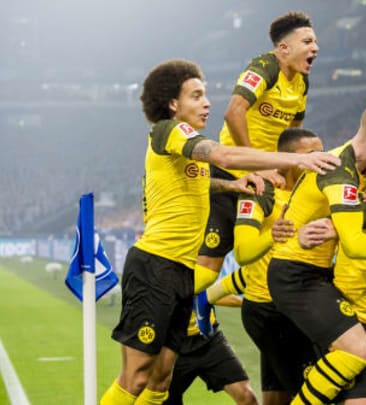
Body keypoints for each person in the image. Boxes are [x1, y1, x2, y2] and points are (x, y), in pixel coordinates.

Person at [99, 59, 338, 405]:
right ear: (172, 104)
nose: (207, 102)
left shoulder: (182, 149)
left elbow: (197, 183)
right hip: (156, 266)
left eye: (205, 95)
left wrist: (234, 186)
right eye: (196, 96)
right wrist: (291, 160)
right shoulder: (171, 130)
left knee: (161, 378)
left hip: (179, 270)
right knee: (136, 376)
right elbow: (223, 154)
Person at [266, 98, 366, 405]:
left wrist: (339, 227)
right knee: (358, 348)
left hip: (319, 275)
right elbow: (356, 245)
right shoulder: (339, 171)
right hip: (294, 275)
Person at [194, 11, 319, 294]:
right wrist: (256, 164)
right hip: (232, 172)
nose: (315, 48)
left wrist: (287, 171)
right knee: (206, 271)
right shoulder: (264, 67)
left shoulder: (302, 82)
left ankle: (210, 304)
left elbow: (293, 133)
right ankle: (164, 308)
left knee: (266, 259)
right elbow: (232, 112)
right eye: (308, 41)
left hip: (265, 180)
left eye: (315, 42)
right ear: (283, 48)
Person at [203, 128, 326, 405]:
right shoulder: (261, 190)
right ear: (288, 158)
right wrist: (273, 234)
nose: (320, 159)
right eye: (312, 154)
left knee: (275, 398)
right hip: (270, 312)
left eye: (322, 152)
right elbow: (243, 252)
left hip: (299, 307)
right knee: (314, 394)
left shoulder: (320, 193)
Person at [165, 295, 256, 404]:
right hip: (172, 346)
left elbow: (211, 294)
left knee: (247, 396)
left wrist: (253, 301)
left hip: (210, 341)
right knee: (164, 400)